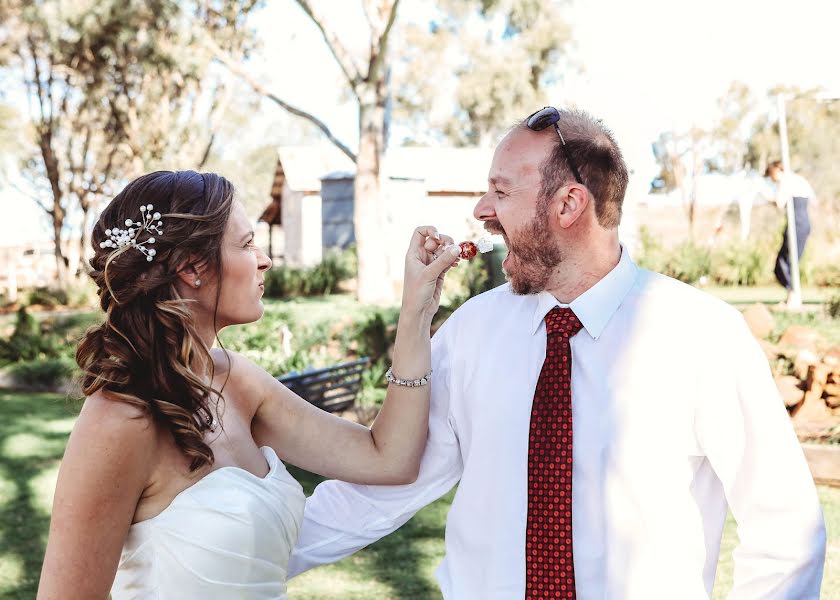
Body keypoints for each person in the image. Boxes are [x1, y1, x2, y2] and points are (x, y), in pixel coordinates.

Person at [289, 108, 826, 598]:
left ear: (569, 203)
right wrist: (241, 552)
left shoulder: (704, 336)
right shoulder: (470, 332)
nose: (481, 211)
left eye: (500, 192)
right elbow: (381, 488)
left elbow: (785, 534)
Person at [37, 170, 462, 599]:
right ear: (191, 268)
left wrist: (416, 313)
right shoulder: (119, 420)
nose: (265, 259)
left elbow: (388, 458)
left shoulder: (237, 381)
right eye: (245, 244)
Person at [764, 160, 815, 309]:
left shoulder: (786, 181)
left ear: (776, 172)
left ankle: (794, 298)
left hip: (796, 225)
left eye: (771, 177)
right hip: (803, 223)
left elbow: (779, 203)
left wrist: (769, 199)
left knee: (784, 263)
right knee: (790, 262)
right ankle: (791, 297)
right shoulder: (799, 180)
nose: (772, 180)